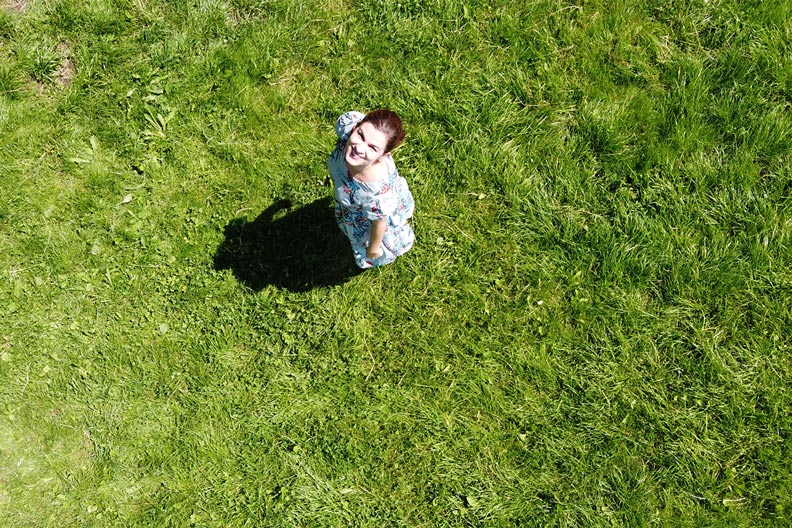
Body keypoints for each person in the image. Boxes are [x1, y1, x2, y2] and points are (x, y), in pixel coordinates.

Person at [327, 110, 415, 269]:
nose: (359, 148)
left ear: (383, 155)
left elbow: (379, 223)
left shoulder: (376, 195)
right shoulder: (348, 129)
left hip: (367, 218)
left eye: (373, 148)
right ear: (356, 127)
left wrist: (373, 249)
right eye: (361, 135)